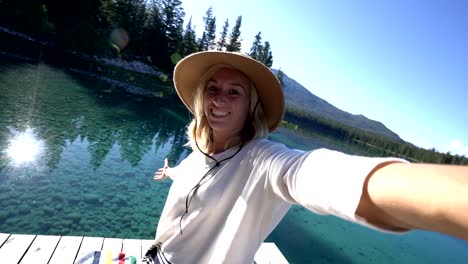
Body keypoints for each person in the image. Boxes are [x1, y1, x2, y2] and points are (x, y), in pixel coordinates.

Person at [145, 51, 468, 264]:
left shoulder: (262, 160)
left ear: (250, 108)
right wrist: (171, 172)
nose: (219, 99)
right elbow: (193, 176)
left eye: (234, 92)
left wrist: (448, 198)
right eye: (213, 88)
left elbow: (309, 173)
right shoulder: (200, 151)